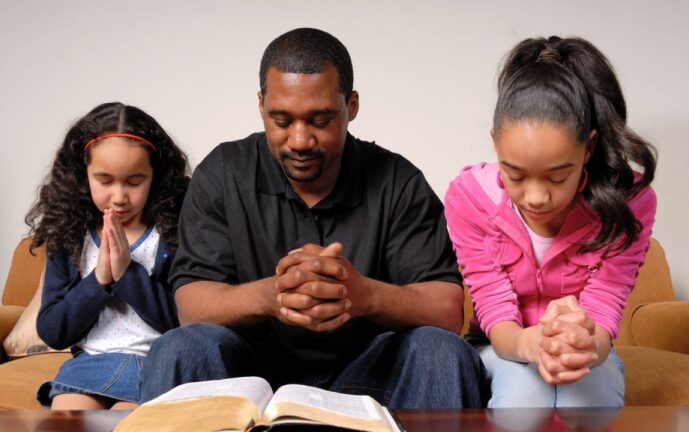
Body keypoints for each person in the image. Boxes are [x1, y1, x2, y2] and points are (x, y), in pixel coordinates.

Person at [140, 28, 483, 408]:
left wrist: (362, 294)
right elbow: (191, 304)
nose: (300, 140)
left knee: (442, 351)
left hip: (368, 375)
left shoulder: (398, 181)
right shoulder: (222, 173)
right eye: (282, 121)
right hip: (252, 375)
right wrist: (272, 295)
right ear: (261, 105)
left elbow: (448, 310)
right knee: (179, 348)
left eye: (320, 120)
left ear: (351, 106)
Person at [444, 36, 657, 407]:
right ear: (495, 143)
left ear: (588, 148)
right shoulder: (470, 197)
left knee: (586, 398)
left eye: (558, 177)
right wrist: (530, 343)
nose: (536, 197)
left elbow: (605, 305)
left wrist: (583, 341)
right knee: (524, 399)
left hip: (586, 353)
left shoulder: (629, 203)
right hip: (504, 344)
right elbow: (493, 307)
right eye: (516, 175)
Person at [27, 102, 190, 410]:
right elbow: (53, 331)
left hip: (154, 366)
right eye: (104, 181)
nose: (118, 196)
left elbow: (182, 321)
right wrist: (99, 279)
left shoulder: (171, 233)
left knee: (127, 422)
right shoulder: (69, 236)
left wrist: (128, 272)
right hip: (88, 366)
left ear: (155, 176)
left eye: (134, 181)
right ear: (82, 174)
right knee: (70, 418)